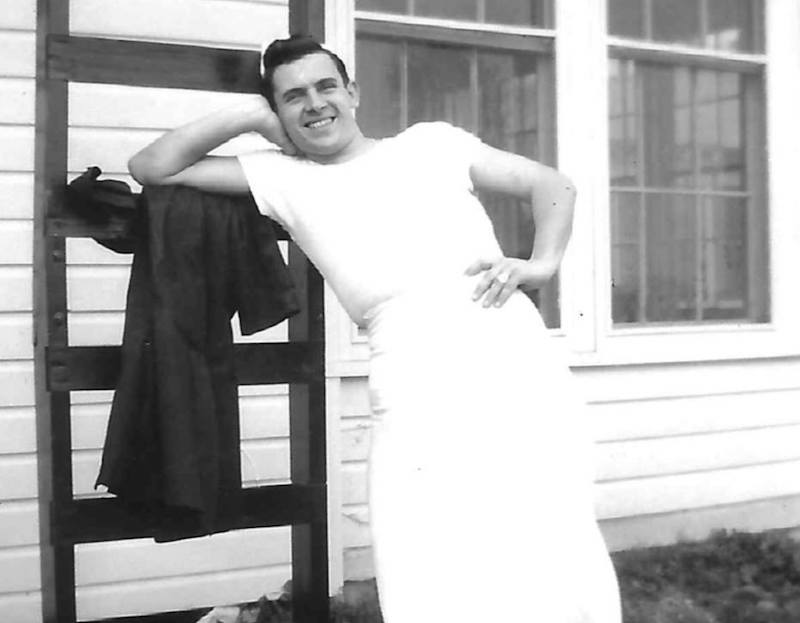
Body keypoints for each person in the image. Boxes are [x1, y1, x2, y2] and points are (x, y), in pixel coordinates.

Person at [129, 35, 621, 623]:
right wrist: (252, 116)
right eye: (292, 98)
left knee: (545, 523)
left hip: (505, 346)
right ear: (280, 112)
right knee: (422, 539)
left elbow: (552, 184)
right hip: (407, 360)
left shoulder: (430, 145)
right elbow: (151, 167)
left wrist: (539, 264)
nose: (314, 104)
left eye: (325, 87)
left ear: (352, 92)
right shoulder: (281, 177)